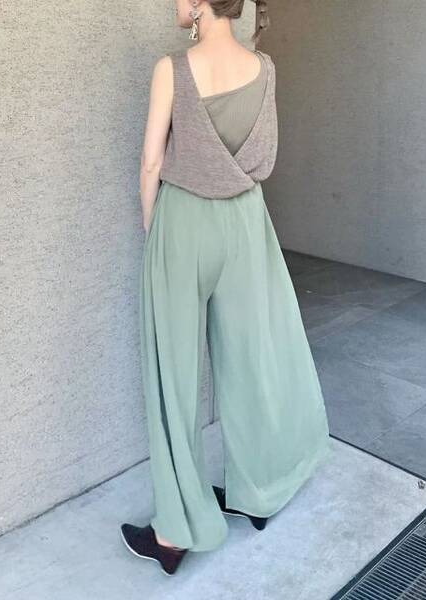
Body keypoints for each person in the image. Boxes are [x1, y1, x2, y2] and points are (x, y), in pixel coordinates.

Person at [120, 0, 332, 576]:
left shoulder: (172, 69)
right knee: (255, 356)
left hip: (183, 223)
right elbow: (263, 155)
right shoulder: (264, 69)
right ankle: (260, 490)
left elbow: (150, 162)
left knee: (174, 375)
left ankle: (175, 532)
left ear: (196, 4)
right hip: (245, 222)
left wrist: (155, 232)